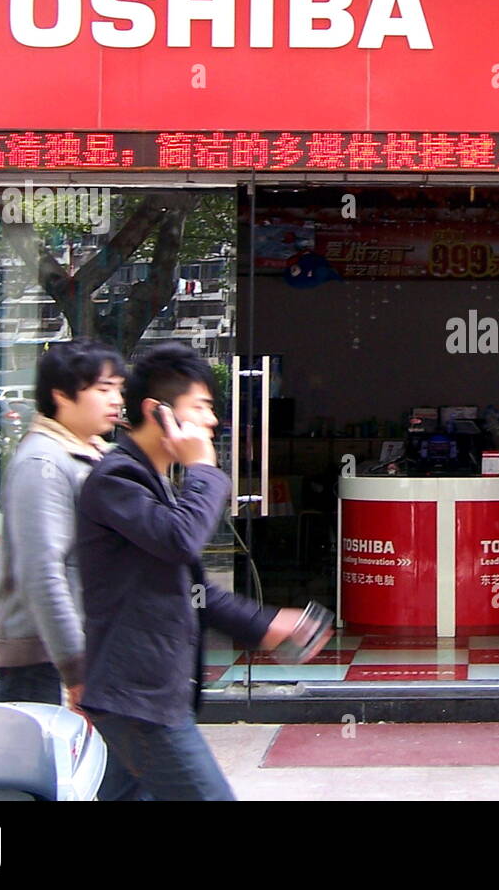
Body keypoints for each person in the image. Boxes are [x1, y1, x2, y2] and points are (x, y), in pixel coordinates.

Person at [76, 342, 330, 801]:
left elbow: (194, 589)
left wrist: (263, 622)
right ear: (159, 413)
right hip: (140, 698)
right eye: (202, 407)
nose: (212, 421)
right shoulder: (116, 480)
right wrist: (205, 469)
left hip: (145, 694)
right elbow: (180, 540)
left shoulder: (153, 484)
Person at [0, 338, 124, 708]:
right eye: (103, 389)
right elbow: (43, 571)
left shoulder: (90, 453)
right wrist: (76, 670)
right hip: (43, 664)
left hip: (82, 653)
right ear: (62, 395)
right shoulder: (44, 462)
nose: (115, 400)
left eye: (118, 389)